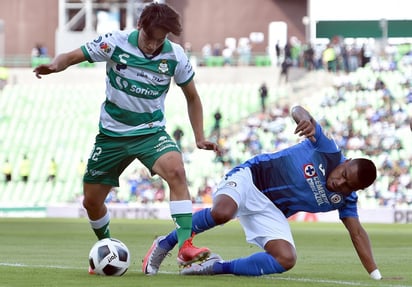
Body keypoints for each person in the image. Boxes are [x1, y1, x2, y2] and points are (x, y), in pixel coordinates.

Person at [33, 2, 219, 272]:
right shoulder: (115, 43)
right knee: (92, 201)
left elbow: (192, 96)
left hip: (150, 132)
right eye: (149, 38)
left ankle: (185, 246)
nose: (153, 45)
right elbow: (73, 56)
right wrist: (54, 65)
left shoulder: (175, 56)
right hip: (112, 135)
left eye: (161, 40)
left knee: (176, 170)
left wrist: (199, 136)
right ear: (140, 27)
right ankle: (106, 248)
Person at [142, 105, 383, 281]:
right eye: (343, 173)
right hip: (251, 177)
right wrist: (304, 119)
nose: (339, 182)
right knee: (223, 212)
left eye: (347, 185)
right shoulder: (328, 150)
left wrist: (376, 275)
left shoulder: (345, 201)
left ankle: (215, 267)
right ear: (345, 161)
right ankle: (165, 243)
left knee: (286, 259)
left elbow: (358, 234)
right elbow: (298, 110)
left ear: (356, 190)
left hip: (271, 210)